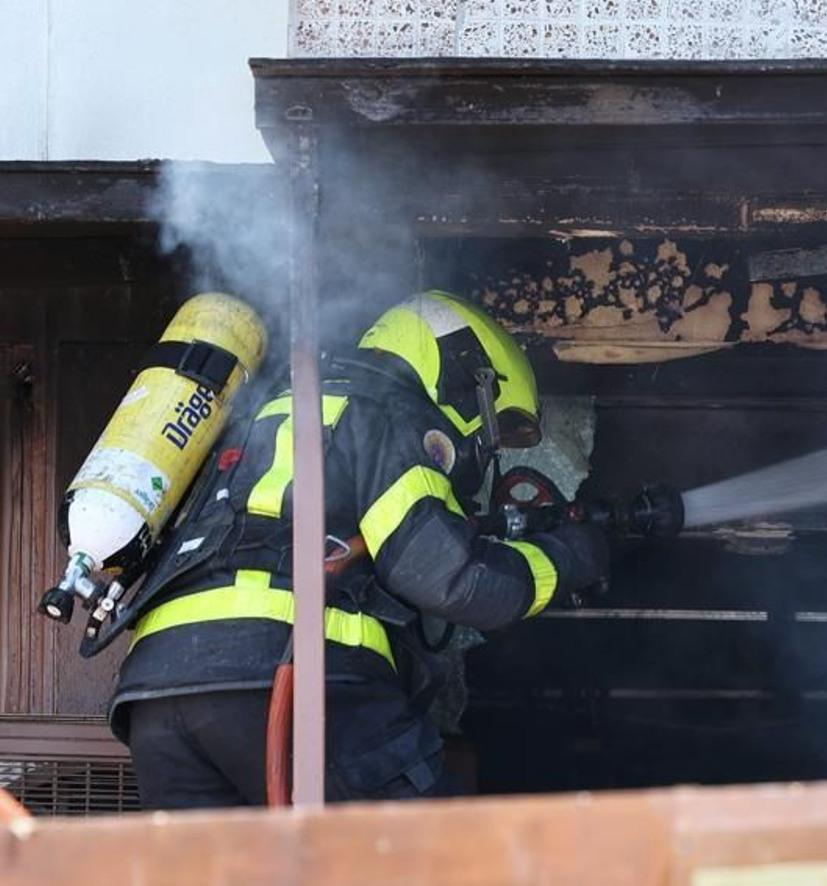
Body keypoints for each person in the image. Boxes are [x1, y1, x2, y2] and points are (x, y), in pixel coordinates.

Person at [107, 290, 608, 808]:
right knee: (443, 850)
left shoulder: (265, 409)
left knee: (229, 867)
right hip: (287, 675)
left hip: (155, 698)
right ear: (467, 377)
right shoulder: (387, 411)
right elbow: (458, 580)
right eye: (489, 426)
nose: (480, 444)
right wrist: (573, 555)